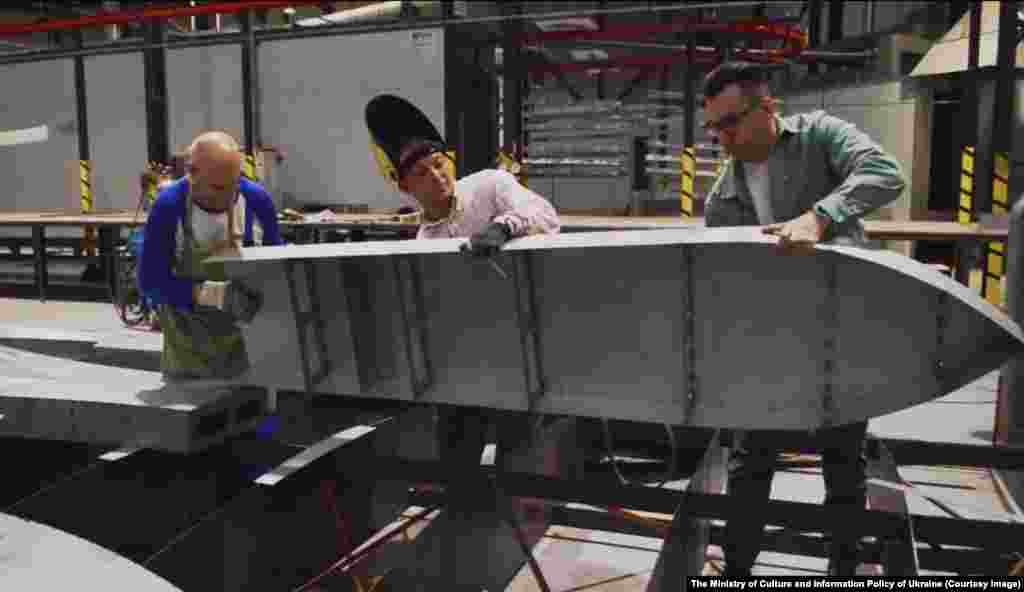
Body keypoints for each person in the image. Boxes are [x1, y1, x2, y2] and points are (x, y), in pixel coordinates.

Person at [700, 61, 906, 575]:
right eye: (712, 127)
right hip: (769, 344)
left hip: (840, 332)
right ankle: (738, 571)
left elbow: (886, 173)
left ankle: (843, 569)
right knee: (749, 464)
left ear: (767, 108)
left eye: (730, 123)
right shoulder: (722, 199)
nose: (720, 138)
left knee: (843, 464)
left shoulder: (820, 136)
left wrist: (820, 216)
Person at [365, 93, 567, 482]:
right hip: (465, 362)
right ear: (405, 187)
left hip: (520, 350)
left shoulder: (490, 186)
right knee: (457, 457)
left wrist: (503, 227)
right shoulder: (426, 242)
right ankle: (463, 516)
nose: (437, 176)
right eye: (422, 173)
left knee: (520, 460)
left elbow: (546, 215)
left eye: (438, 164)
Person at [138, 130, 284, 382]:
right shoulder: (169, 207)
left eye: (234, 184)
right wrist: (211, 293)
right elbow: (150, 282)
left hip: (249, 354)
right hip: (188, 354)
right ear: (191, 173)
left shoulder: (257, 201)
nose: (228, 196)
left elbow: (277, 271)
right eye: (218, 188)